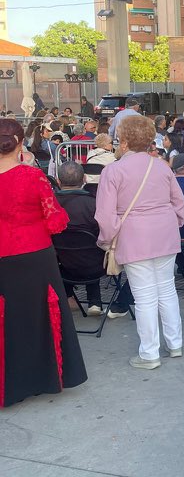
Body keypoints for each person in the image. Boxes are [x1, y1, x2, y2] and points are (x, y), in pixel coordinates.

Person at [0, 119, 87, 406]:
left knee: (7, 319)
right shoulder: (31, 176)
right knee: (40, 315)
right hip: (35, 253)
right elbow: (57, 220)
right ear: (21, 143)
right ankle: (43, 377)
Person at [96, 115, 184, 369]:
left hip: (134, 236)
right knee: (167, 290)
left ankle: (149, 353)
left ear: (123, 141)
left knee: (144, 296)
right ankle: (175, 343)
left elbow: (105, 214)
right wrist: (173, 223)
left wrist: (107, 239)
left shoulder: (113, 170)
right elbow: (179, 204)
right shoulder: (161, 166)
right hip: (165, 232)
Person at [54, 161, 107, 315]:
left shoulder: (50, 203)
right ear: (84, 179)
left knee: (65, 247)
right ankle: (94, 302)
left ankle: (68, 296)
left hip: (61, 266)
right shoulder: (93, 204)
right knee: (93, 246)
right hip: (95, 266)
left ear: (58, 181)